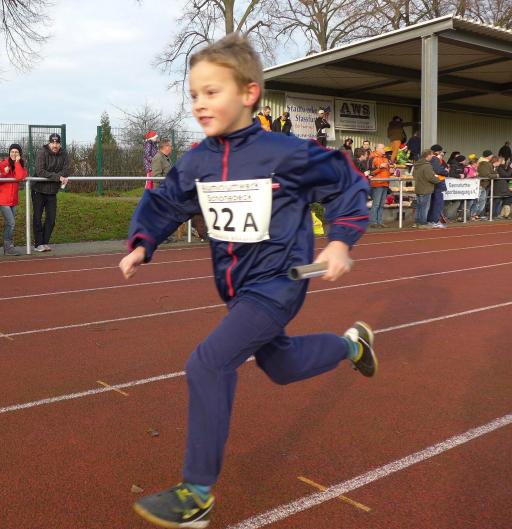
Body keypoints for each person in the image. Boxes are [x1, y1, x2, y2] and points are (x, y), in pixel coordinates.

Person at [120, 33, 375, 529]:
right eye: (194, 94)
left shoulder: (285, 153)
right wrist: (143, 242)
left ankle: (196, 495)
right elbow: (166, 201)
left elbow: (347, 182)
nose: (199, 103)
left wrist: (341, 240)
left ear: (249, 93)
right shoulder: (197, 160)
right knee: (281, 364)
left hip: (279, 283)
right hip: (236, 289)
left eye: (212, 92)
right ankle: (352, 346)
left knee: (208, 364)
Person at [32, 132, 71, 252]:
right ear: (49, 143)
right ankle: (38, 244)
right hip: (38, 190)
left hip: (52, 191)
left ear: (60, 144)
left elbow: (66, 170)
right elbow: (40, 171)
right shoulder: (42, 152)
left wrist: (59, 177)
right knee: (37, 217)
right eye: (53, 143)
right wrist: (58, 177)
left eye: (57, 143)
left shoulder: (64, 154)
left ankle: (44, 242)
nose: (55, 145)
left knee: (51, 218)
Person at [0, 143, 28, 256]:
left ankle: (8, 246)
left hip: (13, 200)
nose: (14, 154)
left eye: (16, 152)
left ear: (19, 154)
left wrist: (17, 162)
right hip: (3, 199)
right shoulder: (2, 164)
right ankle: (8, 247)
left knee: (10, 223)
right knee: (11, 223)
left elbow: (20, 176)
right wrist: (4, 173)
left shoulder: (20, 164)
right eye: (12, 152)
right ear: (9, 153)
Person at [413, 150, 440, 228]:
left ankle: (417, 222)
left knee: (419, 206)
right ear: (428, 155)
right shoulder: (427, 166)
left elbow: (414, 175)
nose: (432, 157)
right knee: (424, 207)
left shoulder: (417, 165)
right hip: (426, 188)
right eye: (431, 155)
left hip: (418, 187)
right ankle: (423, 223)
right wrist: (438, 179)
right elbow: (430, 177)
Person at [368, 143, 391, 228]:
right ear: (377, 149)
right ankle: (373, 222)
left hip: (385, 182)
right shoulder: (372, 157)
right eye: (382, 148)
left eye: (384, 148)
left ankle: (379, 221)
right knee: (376, 204)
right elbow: (370, 172)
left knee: (381, 204)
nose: (384, 150)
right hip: (377, 183)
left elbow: (387, 170)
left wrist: (391, 170)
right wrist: (380, 167)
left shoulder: (385, 158)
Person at [427, 144, 449, 227]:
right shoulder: (435, 158)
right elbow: (438, 170)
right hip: (438, 182)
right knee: (437, 203)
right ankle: (434, 221)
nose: (443, 153)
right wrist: (446, 171)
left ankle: (430, 220)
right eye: (442, 151)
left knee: (433, 203)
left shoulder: (429, 158)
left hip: (433, 182)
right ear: (438, 151)